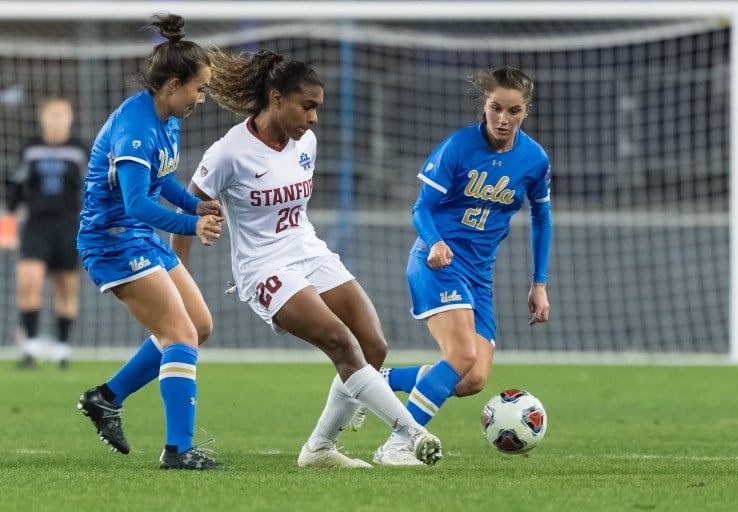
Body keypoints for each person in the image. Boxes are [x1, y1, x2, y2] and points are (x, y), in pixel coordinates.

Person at [170, 48, 442, 468]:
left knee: (373, 345)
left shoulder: (306, 143)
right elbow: (189, 206)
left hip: (308, 249)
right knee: (341, 342)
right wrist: (181, 281)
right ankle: (411, 432)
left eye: (318, 107)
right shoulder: (229, 152)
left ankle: (319, 449)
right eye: (307, 106)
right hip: (264, 268)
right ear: (276, 99)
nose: (314, 117)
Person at [357, 66, 552, 447]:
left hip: (479, 275)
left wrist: (539, 283)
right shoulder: (459, 147)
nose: (503, 119)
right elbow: (420, 208)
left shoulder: (534, 159)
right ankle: (399, 445)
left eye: (513, 111)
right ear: (485, 105)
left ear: (525, 112)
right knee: (462, 355)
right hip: (436, 264)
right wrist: (434, 242)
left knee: (472, 379)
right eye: (496, 108)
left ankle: (371, 384)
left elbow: (542, 217)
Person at [74, 14, 224, 470]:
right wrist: (190, 227)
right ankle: (177, 450)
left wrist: (192, 205)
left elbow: (161, 181)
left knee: (198, 325)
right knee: (179, 334)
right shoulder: (135, 126)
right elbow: (137, 202)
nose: (202, 98)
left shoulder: (167, 117)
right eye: (199, 89)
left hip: (137, 235)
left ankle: (106, 397)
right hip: (112, 240)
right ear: (173, 84)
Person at [1, 98, 87, 369]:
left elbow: (91, 190)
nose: (57, 120)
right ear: (43, 118)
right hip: (36, 224)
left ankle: (62, 348)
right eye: (52, 115)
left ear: (70, 119)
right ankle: (30, 346)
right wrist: (8, 225)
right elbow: (15, 189)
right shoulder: (31, 148)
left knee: (66, 285)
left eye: (62, 115)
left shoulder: (79, 150)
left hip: (69, 226)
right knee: (29, 280)